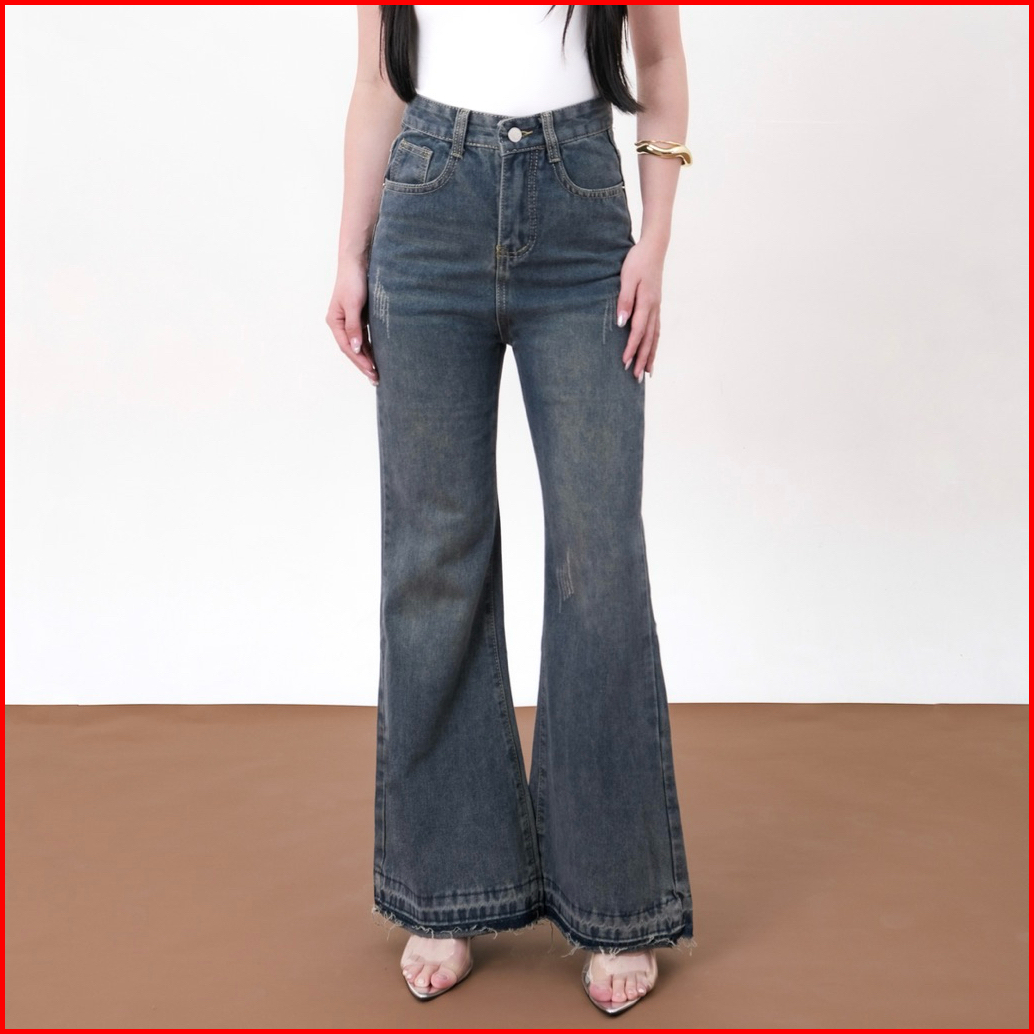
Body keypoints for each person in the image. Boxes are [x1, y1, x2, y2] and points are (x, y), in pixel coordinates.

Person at [326, 5, 694, 1015]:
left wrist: (655, 238)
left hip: (580, 209)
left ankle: (615, 901)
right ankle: (445, 886)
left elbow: (660, 57)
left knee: (598, 563)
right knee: (432, 558)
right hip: (425, 208)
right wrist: (350, 251)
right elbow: (378, 81)